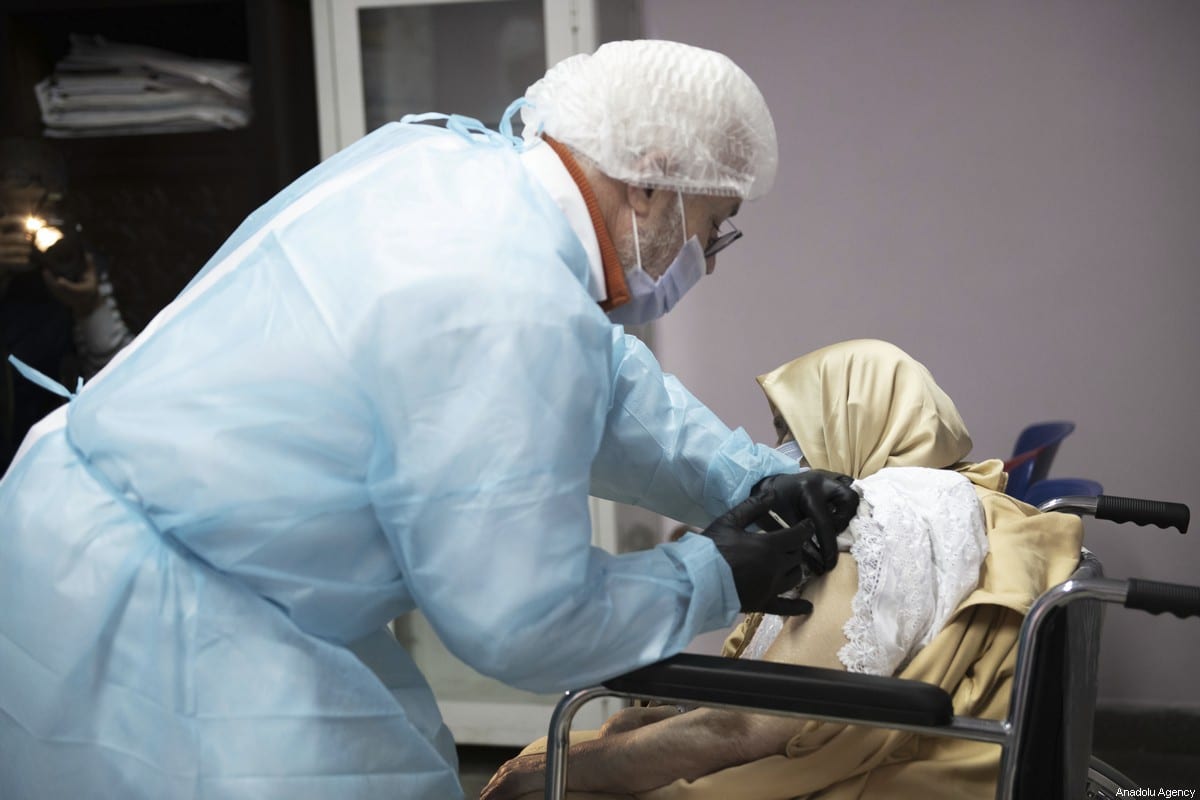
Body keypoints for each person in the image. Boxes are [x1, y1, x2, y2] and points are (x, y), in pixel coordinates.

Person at [0, 41, 859, 799]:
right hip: (156, 608)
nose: (704, 259)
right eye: (714, 227)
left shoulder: (454, 169)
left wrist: (747, 476)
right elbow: (523, 619)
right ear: (650, 178)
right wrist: (713, 577)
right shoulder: (506, 298)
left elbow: (602, 384)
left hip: (136, 535)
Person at [482, 339, 1085, 800]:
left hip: (839, 770)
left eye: (789, 433)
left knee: (553, 754)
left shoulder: (886, 520)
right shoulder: (953, 496)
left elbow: (750, 728)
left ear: (854, 420)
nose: (782, 458)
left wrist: (553, 769)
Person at [0, 137, 133, 471]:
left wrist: (90, 308)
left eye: (54, 183)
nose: (46, 195)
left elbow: (120, 381)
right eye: (28, 180)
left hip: (46, 457)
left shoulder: (69, 261)